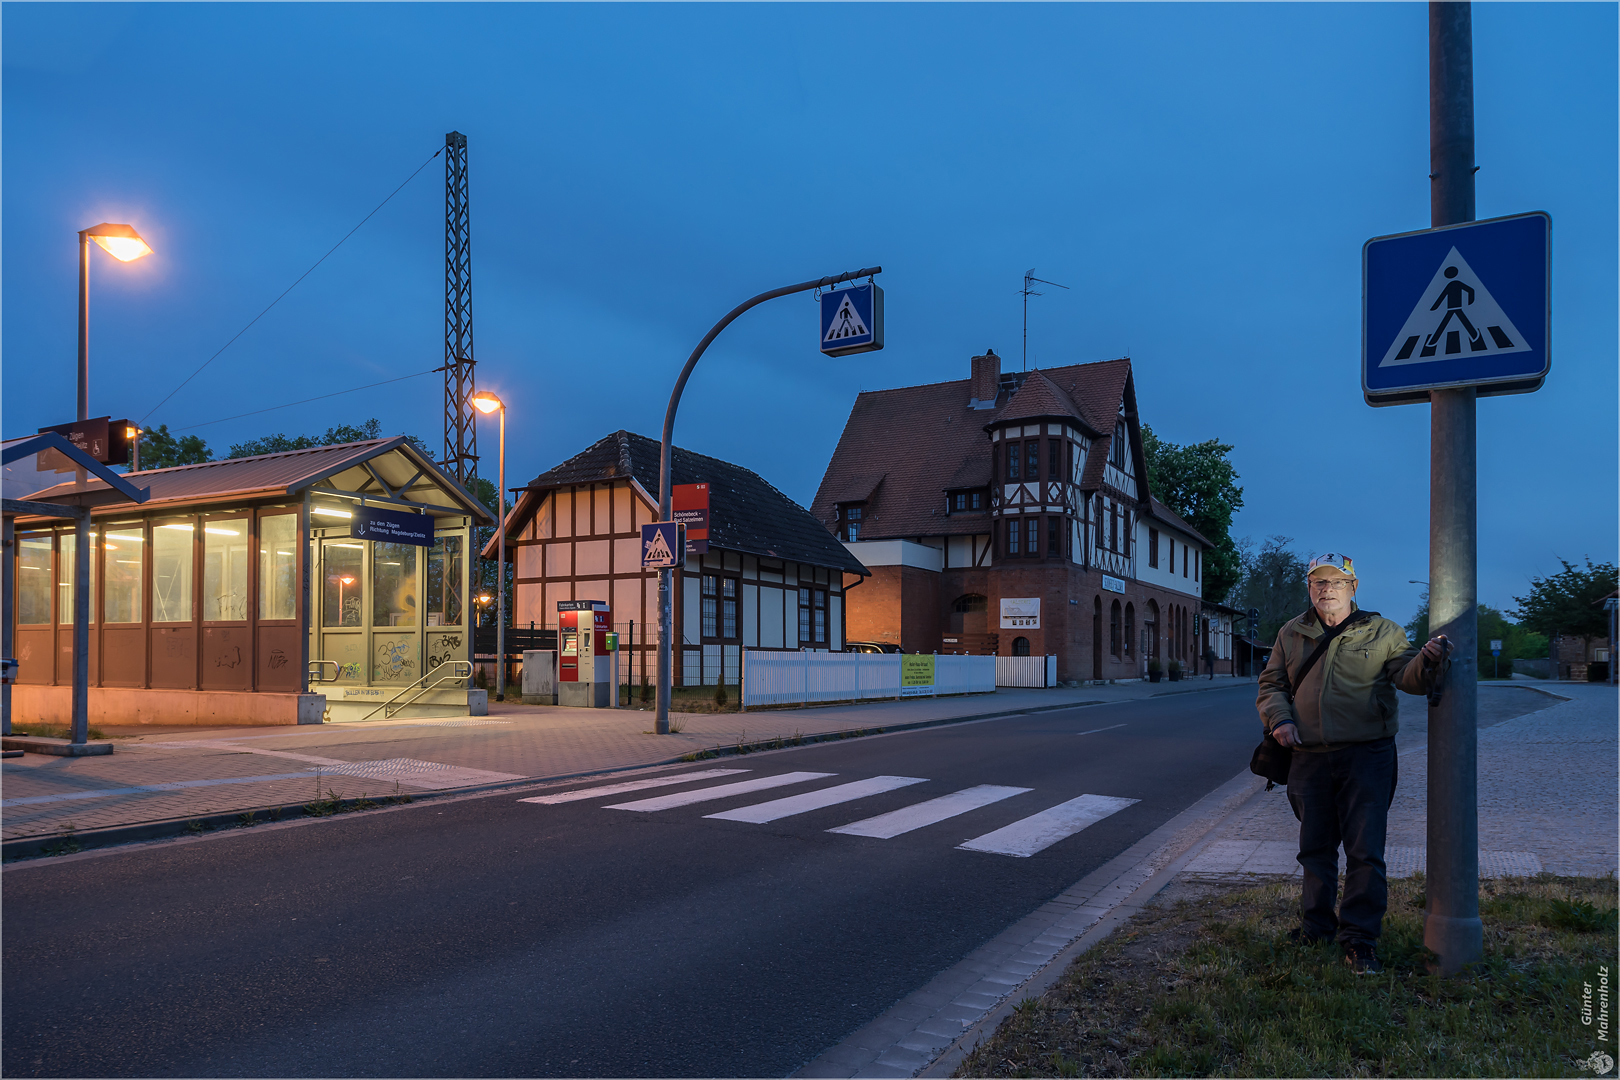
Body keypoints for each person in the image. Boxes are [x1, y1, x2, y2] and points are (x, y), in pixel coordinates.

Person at [1256, 552, 1447, 975]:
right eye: (1319, 582)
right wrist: (1280, 719)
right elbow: (1272, 684)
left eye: (1337, 582)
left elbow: (1409, 678)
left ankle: (1360, 940)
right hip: (1307, 757)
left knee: (1365, 852)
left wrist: (1428, 659)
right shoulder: (1292, 632)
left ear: (1353, 587)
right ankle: (1316, 927)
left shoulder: (1383, 631)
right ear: (1309, 587)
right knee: (1315, 850)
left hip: (1367, 756)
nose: (1327, 589)